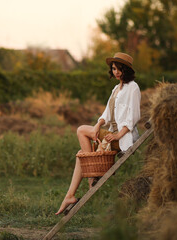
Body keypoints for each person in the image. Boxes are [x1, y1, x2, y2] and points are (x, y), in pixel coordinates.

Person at [55, 52, 141, 215]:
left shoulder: (133, 88)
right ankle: (71, 194)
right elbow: (106, 114)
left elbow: (134, 117)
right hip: (111, 133)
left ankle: (91, 178)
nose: (116, 72)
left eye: (119, 69)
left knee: (81, 131)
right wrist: (97, 126)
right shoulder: (116, 88)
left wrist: (117, 136)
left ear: (127, 70)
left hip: (123, 138)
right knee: (82, 155)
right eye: (114, 68)